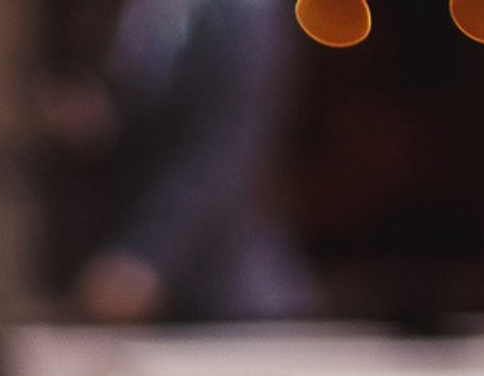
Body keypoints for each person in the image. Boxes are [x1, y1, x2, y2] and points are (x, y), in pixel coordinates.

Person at [41, 0, 312, 324]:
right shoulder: (139, 11)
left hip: (226, 296)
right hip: (145, 293)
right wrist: (100, 121)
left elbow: (225, 150)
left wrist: (146, 258)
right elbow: (151, 126)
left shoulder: (246, 9)